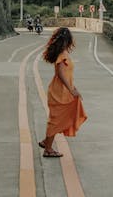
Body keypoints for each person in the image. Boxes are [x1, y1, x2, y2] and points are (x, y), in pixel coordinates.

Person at [38, 27, 87, 157]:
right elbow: (60, 74)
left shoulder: (63, 53)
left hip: (62, 91)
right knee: (55, 120)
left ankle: (46, 141)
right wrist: (71, 90)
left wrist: (73, 88)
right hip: (59, 92)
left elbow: (67, 74)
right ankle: (48, 149)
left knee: (61, 117)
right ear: (68, 40)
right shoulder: (63, 55)